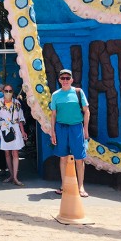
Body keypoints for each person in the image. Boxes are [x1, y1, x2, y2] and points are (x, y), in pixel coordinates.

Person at [50, 69, 90, 198]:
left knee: (79, 158)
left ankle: (81, 186)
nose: (65, 80)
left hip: (76, 127)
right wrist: (53, 132)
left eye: (68, 78)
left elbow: (86, 111)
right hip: (61, 128)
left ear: (72, 79)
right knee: (63, 157)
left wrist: (85, 129)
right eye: (63, 78)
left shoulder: (78, 92)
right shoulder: (55, 95)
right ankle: (64, 185)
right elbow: (53, 115)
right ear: (59, 80)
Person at [0, 84, 27, 186]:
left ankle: (15, 177)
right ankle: (11, 175)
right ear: (3, 91)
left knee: (15, 153)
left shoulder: (17, 103)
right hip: (3, 129)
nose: (8, 93)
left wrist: (23, 131)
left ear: (13, 92)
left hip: (15, 129)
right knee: (7, 153)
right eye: (6, 91)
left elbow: (20, 118)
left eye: (10, 91)